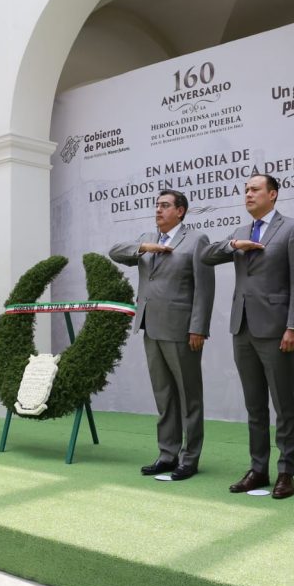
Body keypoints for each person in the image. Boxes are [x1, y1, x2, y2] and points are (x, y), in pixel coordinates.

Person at [202, 174, 294, 499]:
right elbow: (206, 255)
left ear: (272, 194)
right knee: (254, 405)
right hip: (242, 327)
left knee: (283, 403)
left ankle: (286, 471)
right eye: (246, 190)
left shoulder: (292, 229)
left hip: (276, 329)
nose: (248, 194)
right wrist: (234, 245)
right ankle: (258, 469)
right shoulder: (240, 232)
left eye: (254, 189)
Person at [110, 189, 215, 480]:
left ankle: (189, 459)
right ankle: (167, 454)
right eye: (157, 205)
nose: (158, 210)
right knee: (164, 395)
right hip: (151, 326)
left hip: (182, 329)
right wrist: (145, 247)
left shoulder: (196, 240)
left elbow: (204, 288)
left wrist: (198, 327)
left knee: (188, 396)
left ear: (180, 211)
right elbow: (115, 251)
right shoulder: (148, 238)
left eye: (165, 205)